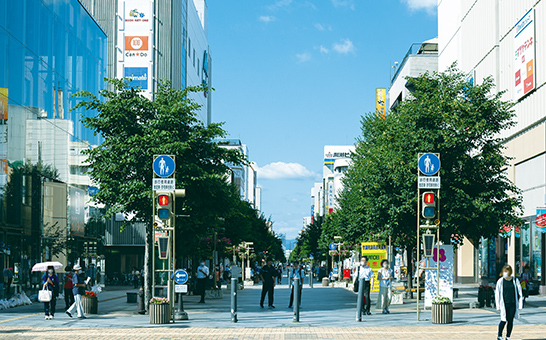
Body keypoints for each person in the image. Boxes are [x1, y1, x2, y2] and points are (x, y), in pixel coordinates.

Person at [495, 264, 523, 340]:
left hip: (512, 303)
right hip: (504, 303)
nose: (505, 273)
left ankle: (508, 336)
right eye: (504, 271)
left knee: (510, 320)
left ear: (510, 272)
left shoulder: (515, 280)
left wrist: (520, 304)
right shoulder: (500, 281)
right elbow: (497, 294)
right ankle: (499, 335)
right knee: (503, 320)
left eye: (507, 271)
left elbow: (519, 292)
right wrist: (498, 306)